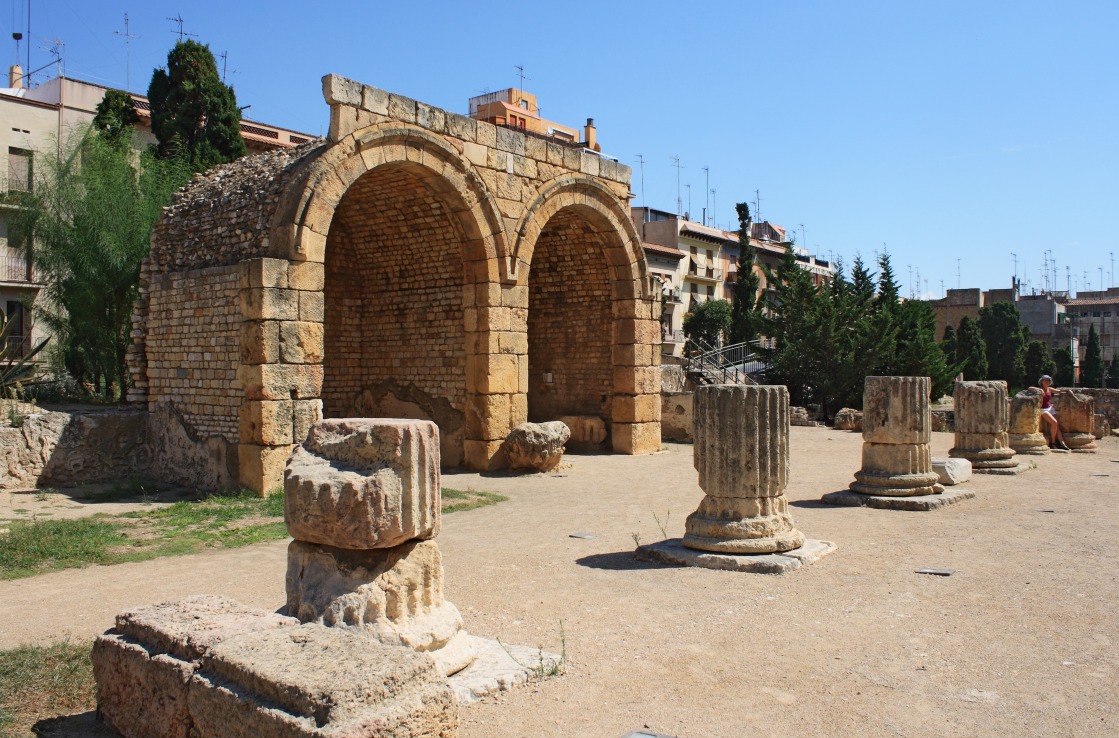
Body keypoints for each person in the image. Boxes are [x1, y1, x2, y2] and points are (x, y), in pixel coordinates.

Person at [1029, 375, 1071, 450]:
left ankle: (1062, 443)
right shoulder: (1039, 389)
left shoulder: (1049, 389)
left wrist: (1068, 390)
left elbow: (1059, 391)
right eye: (1045, 380)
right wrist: (1040, 390)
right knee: (1054, 423)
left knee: (1057, 425)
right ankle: (1053, 443)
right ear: (1041, 381)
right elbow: (1029, 388)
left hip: (1050, 408)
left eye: (1048, 380)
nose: (1047, 382)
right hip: (1043, 409)